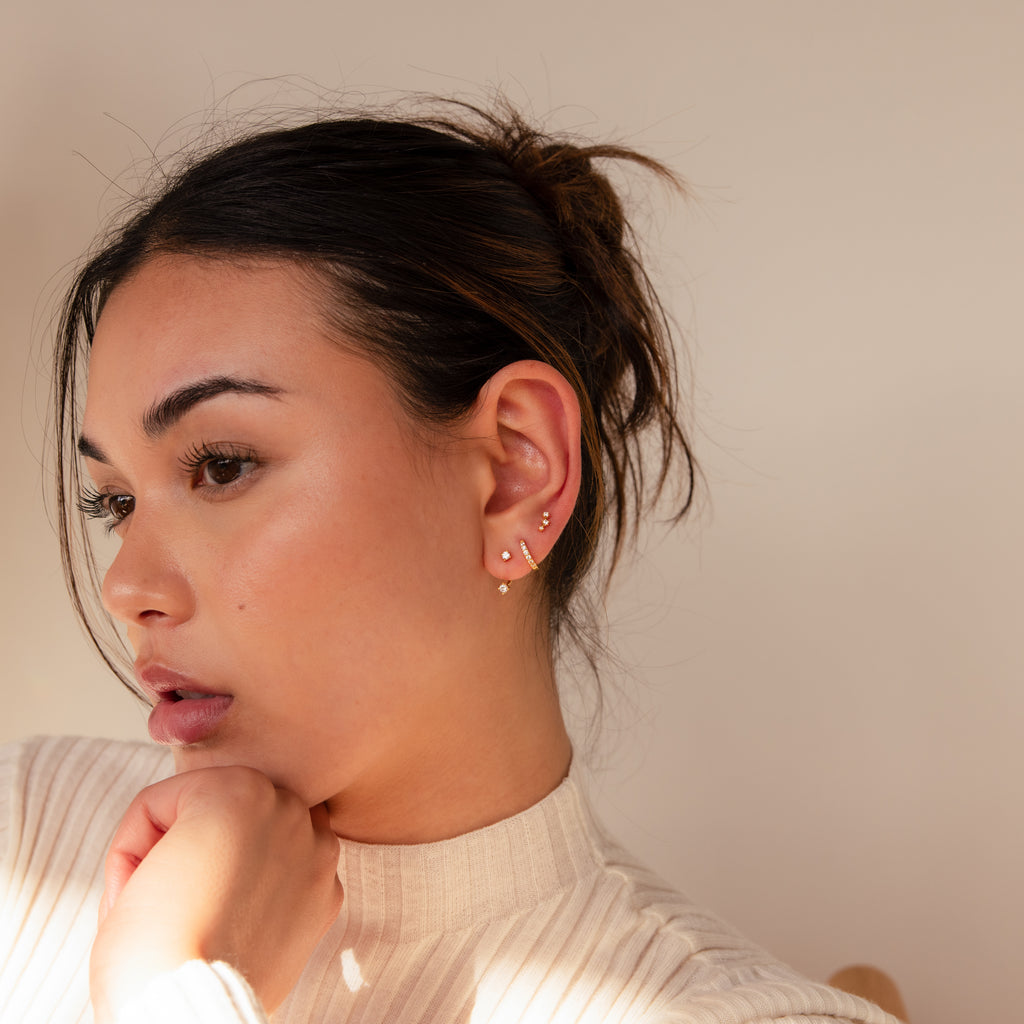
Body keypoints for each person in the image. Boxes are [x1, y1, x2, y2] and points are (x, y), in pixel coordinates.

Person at [0, 99, 897, 1024]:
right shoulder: (24, 831)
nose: (125, 588)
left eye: (222, 465)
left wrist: (169, 988)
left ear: (513, 468)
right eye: (115, 503)